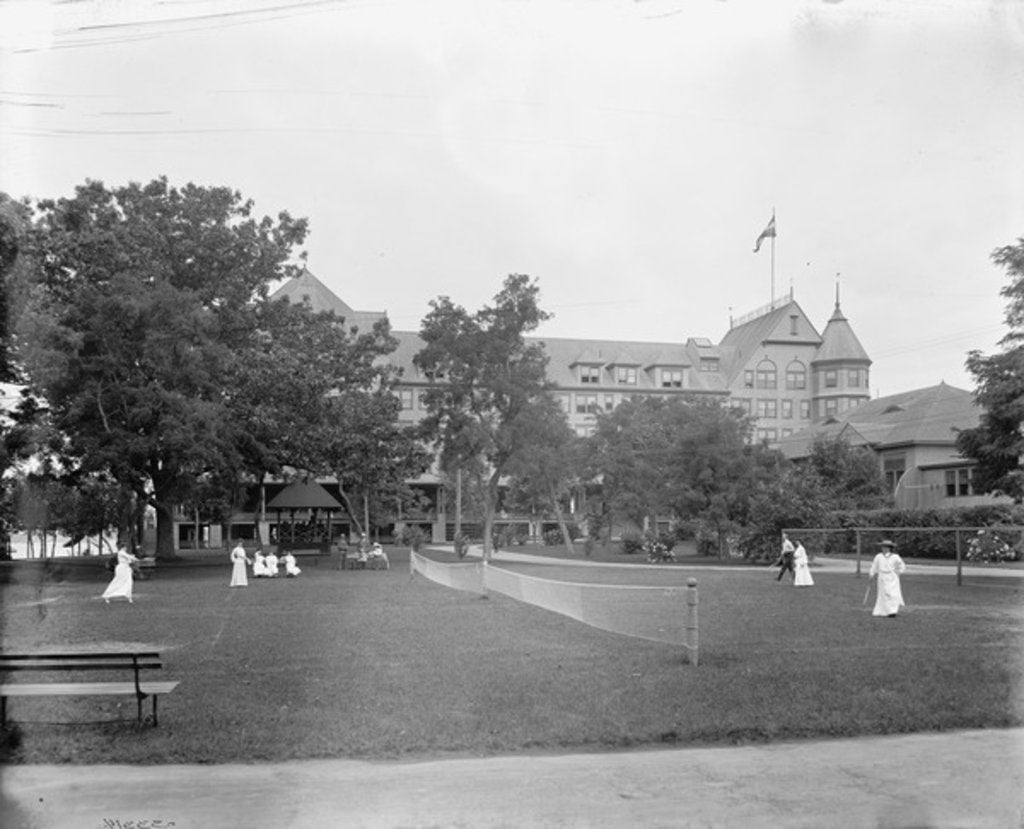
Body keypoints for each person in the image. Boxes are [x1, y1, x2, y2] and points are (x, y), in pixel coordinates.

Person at [869, 539, 906, 617]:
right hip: (882, 577)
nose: (884, 549)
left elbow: (902, 566)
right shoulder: (878, 556)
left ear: (890, 548)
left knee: (892, 594)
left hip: (892, 578)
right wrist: (872, 574)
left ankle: (892, 611)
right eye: (883, 547)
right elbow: (874, 566)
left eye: (886, 547)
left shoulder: (895, 557)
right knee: (883, 594)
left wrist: (898, 572)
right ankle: (883, 611)